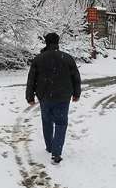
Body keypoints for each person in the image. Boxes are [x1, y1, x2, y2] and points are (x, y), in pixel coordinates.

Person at [26, 33, 81, 165]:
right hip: (63, 97)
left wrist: (30, 96)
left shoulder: (39, 59)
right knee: (61, 123)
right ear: (58, 42)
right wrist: (76, 93)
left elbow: (31, 79)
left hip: (45, 96)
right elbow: (76, 77)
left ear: (46, 42)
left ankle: (50, 146)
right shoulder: (67, 58)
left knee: (47, 121)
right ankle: (56, 152)